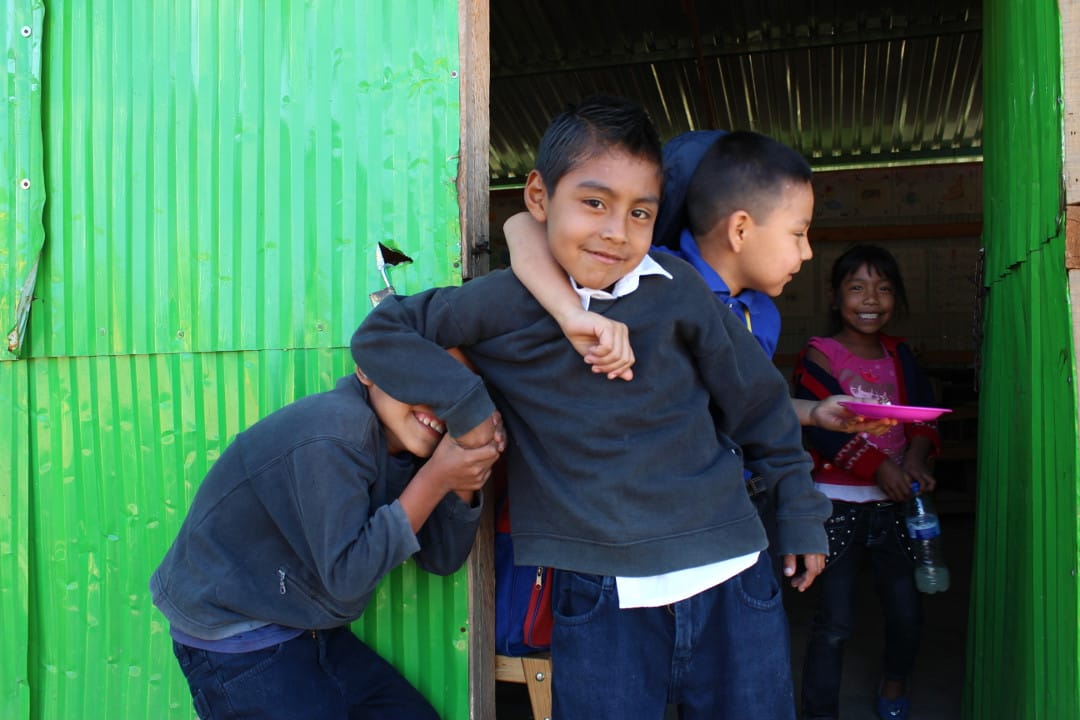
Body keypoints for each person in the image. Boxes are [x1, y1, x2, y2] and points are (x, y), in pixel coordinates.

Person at [350, 95, 831, 720]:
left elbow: (760, 405)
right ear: (540, 197)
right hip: (600, 595)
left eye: (640, 213)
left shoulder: (676, 288)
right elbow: (381, 334)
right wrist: (470, 410)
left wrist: (798, 510)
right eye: (594, 203)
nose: (615, 231)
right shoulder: (502, 303)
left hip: (733, 577)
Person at [149, 351, 505, 720]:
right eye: (425, 374)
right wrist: (437, 478)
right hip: (235, 642)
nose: (440, 403)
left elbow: (441, 557)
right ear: (367, 369)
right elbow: (347, 580)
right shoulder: (336, 427)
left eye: (459, 394)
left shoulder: (404, 448)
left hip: (304, 625)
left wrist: (462, 476)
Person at [504, 129, 894, 434]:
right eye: (797, 233)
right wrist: (569, 313)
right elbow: (522, 226)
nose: (808, 252)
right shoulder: (653, 272)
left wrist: (816, 412)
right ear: (739, 229)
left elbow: (741, 401)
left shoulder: (762, 314)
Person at [792, 244, 941, 720]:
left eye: (883, 288)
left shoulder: (901, 355)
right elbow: (818, 427)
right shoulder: (820, 355)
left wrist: (915, 460)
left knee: (906, 609)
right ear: (836, 297)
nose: (870, 299)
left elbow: (923, 420)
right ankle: (819, 712)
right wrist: (881, 468)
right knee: (833, 622)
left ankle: (895, 682)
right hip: (836, 505)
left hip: (898, 504)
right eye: (857, 288)